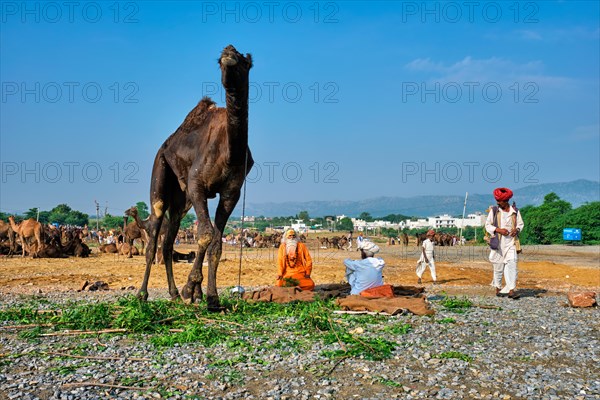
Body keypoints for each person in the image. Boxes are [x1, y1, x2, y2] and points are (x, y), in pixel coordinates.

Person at [485, 187, 524, 299]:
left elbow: (520, 224)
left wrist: (516, 230)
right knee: (498, 266)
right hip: (498, 243)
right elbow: (488, 225)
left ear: (506, 201)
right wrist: (499, 230)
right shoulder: (494, 211)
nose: (498, 202)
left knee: (512, 264)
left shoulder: (515, 212)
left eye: (500, 201)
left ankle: (511, 290)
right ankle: (498, 287)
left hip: (511, 242)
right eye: (497, 201)